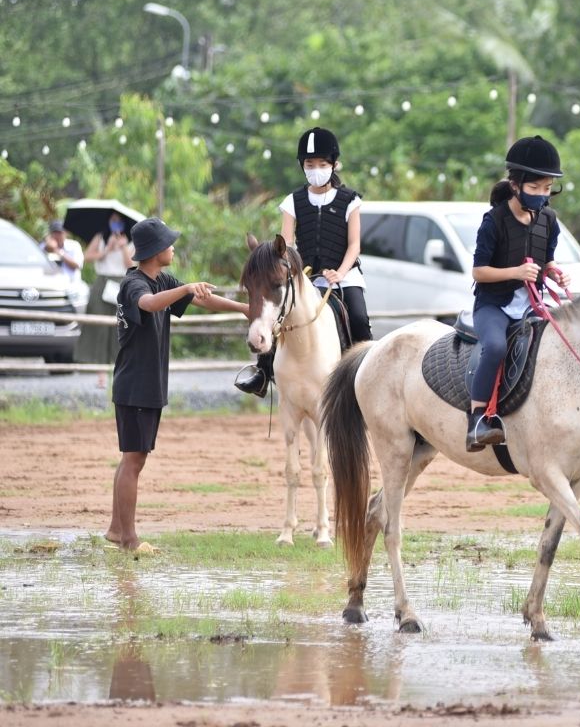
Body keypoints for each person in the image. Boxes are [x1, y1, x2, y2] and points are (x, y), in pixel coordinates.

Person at [106, 217, 249, 553]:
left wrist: (244, 308)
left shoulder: (161, 279)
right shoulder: (135, 285)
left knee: (132, 458)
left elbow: (200, 300)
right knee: (133, 460)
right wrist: (185, 289)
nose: (173, 247)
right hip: (135, 386)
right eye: (168, 243)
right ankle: (129, 539)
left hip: (146, 385)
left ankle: (116, 530)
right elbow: (148, 304)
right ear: (155, 251)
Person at [235, 126, 371, 396]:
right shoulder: (292, 201)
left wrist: (340, 273)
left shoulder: (350, 200)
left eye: (322, 163)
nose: (316, 168)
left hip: (344, 274)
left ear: (333, 165)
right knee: (277, 313)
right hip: (305, 277)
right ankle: (263, 371)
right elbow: (284, 246)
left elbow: (354, 244)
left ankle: (367, 375)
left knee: (358, 316)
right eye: (310, 164)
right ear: (303, 166)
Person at [466, 135, 571, 451]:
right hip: (493, 306)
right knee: (496, 346)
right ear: (515, 185)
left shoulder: (549, 220)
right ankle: (477, 420)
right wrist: (515, 273)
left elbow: (545, 256)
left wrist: (553, 269)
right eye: (535, 188)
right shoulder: (493, 221)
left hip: (532, 305)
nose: (542, 195)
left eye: (547, 189)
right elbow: (478, 272)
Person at [77, 211, 135, 386]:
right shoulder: (100, 237)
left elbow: (131, 265)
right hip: (102, 283)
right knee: (100, 326)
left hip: (122, 283)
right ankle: (101, 374)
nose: (115, 223)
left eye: (119, 220)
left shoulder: (131, 240)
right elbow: (86, 257)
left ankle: (120, 372)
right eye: (113, 220)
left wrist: (123, 246)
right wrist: (107, 250)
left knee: (122, 326)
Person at [40, 219, 84, 284]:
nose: (57, 236)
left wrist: (57, 251)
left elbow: (77, 265)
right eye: (55, 233)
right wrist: (47, 248)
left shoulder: (74, 246)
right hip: (50, 285)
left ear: (66, 233)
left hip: (71, 285)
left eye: (60, 233)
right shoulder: (43, 246)